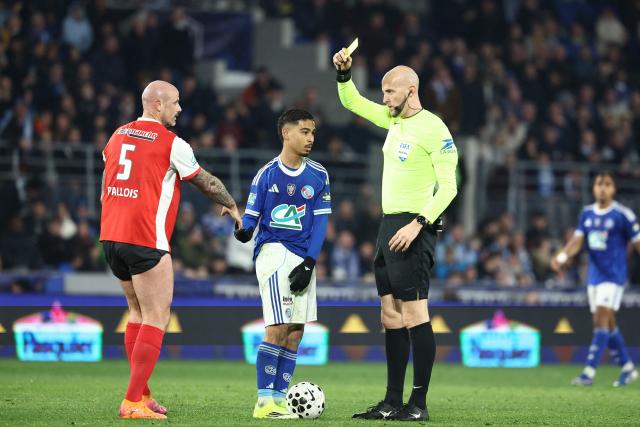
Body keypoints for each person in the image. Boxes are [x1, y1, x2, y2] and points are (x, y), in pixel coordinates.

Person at [100, 80, 241, 419]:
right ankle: (132, 401)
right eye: (176, 103)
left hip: (111, 235)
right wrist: (231, 205)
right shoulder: (171, 143)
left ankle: (143, 394)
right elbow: (205, 181)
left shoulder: (117, 134)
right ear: (158, 105)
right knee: (157, 317)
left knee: (137, 313)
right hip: (146, 238)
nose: (180, 109)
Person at [333, 49, 458, 421]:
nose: (384, 98)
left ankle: (417, 405)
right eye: (384, 92)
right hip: (389, 225)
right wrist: (344, 73)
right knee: (389, 315)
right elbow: (353, 101)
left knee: (416, 313)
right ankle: (391, 401)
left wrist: (419, 222)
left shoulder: (434, 128)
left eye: (390, 92)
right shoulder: (394, 120)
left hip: (414, 228)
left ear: (411, 90)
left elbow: (449, 187)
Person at [233, 109, 331, 419]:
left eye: (313, 132)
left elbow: (321, 223)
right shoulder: (267, 174)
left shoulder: (319, 175)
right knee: (276, 326)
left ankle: (277, 400)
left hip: (303, 257)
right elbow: (251, 217)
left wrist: (310, 262)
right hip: (274, 253)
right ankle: (264, 404)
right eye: (304, 131)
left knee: (296, 331)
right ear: (286, 133)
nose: (310, 137)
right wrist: (243, 229)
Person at [551, 172, 639, 387]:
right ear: (593, 188)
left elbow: (637, 244)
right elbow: (577, 241)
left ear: (614, 189)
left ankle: (588, 373)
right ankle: (628, 369)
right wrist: (562, 256)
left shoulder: (622, 215)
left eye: (607, 184)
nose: (602, 188)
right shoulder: (587, 214)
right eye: (599, 184)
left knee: (601, 318)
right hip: (594, 277)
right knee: (606, 324)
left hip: (614, 276)